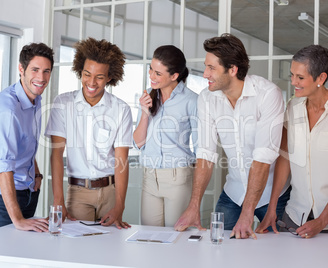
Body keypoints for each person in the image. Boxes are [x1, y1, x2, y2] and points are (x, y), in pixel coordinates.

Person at [174, 33, 291, 239]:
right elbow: (205, 153)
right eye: (206, 66)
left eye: (211, 68)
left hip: (272, 195)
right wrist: (194, 205)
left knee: (278, 254)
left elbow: (263, 158)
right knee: (217, 248)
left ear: (233, 69)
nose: (205, 74)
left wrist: (247, 213)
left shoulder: (267, 94)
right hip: (234, 192)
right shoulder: (207, 98)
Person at [256, 45, 328, 238]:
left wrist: (322, 221)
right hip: (296, 214)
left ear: (321, 78)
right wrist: (272, 208)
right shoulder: (292, 107)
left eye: (300, 78)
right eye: (292, 75)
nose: (293, 82)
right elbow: (285, 159)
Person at [45, 37, 132, 229]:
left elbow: (121, 161)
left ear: (109, 77)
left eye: (99, 77)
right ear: (80, 72)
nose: (91, 82)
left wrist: (119, 205)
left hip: (110, 192)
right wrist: (58, 199)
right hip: (77, 194)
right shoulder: (63, 104)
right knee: (76, 251)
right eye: (86, 74)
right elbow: (57, 154)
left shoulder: (120, 109)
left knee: (110, 251)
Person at [0, 43, 54, 231]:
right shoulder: (9, 109)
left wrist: (36, 174)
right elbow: (3, 165)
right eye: (35, 70)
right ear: (21, 69)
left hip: (27, 188)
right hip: (1, 194)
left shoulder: (34, 98)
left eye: (46, 71)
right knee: (5, 255)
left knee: (23, 253)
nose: (41, 77)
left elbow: (25, 143)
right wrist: (18, 220)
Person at [133, 45, 198, 227]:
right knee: (149, 238)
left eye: (158, 73)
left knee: (176, 239)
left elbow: (201, 149)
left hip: (178, 178)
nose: (152, 76)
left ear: (174, 76)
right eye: (151, 70)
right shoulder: (148, 95)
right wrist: (145, 112)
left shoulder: (191, 101)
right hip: (149, 178)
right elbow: (138, 143)